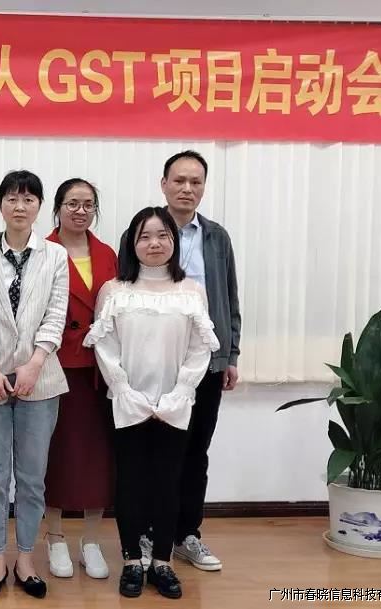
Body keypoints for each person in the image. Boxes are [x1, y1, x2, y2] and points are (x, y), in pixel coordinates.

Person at [86, 206, 219, 599]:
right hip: (127, 401)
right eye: (144, 236)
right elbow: (106, 347)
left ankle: (162, 561)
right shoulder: (114, 291)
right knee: (129, 482)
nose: (154, 243)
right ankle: (131, 560)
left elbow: (199, 348)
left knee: (168, 482)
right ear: (132, 243)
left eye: (162, 235)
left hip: (176, 403)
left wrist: (180, 392)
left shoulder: (191, 291)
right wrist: (124, 389)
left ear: (174, 242)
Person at [0, 170, 69, 600]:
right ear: (0, 205)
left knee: (31, 477)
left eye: (28, 199)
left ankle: (25, 558)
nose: (20, 206)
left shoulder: (55, 256)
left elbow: (56, 313)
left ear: (40, 206)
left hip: (39, 381)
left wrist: (35, 363)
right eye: (12, 198)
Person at [148, 150, 241, 571]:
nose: (187, 188)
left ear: (203, 187)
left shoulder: (217, 237)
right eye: (179, 180)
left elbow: (230, 299)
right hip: (157, 363)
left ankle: (187, 534)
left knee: (195, 452)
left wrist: (230, 354)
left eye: (196, 182)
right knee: (155, 453)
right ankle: (150, 533)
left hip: (207, 363)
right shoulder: (146, 230)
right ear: (164, 184)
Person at [42, 179, 118, 580]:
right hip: (56, 364)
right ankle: (54, 537)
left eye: (88, 204)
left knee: (97, 455)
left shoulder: (108, 253)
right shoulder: (42, 250)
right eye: (72, 203)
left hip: (101, 368)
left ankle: (91, 540)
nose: (80, 211)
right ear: (57, 208)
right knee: (55, 453)